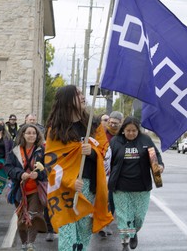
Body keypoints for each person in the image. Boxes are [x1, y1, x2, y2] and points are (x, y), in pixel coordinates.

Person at [44, 85, 113, 251]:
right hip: (64, 189)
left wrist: (92, 152)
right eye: (78, 94)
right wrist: (70, 181)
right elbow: (51, 163)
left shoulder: (93, 125)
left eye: (82, 93)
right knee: (67, 238)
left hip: (88, 186)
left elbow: (104, 151)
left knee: (83, 234)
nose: (83, 96)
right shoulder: (55, 130)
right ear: (67, 101)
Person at [108, 116, 164, 250]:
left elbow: (156, 156)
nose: (131, 133)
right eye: (128, 130)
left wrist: (160, 166)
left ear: (138, 130)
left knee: (138, 218)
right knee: (123, 217)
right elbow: (107, 162)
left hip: (141, 187)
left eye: (134, 130)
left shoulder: (146, 140)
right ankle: (124, 242)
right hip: (120, 186)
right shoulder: (116, 141)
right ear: (123, 130)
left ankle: (133, 233)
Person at [4, 124, 47, 251]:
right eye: (28, 133)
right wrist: (20, 174)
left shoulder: (41, 151)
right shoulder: (15, 151)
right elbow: (8, 168)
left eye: (34, 133)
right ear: (23, 135)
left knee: (33, 215)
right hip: (19, 190)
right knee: (22, 218)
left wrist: (38, 174)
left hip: (36, 190)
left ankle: (30, 243)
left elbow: (48, 170)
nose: (31, 135)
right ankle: (24, 243)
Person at [98, 111, 124, 238]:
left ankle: (107, 222)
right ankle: (101, 224)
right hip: (102, 170)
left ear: (121, 123)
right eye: (111, 122)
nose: (113, 125)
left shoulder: (123, 136)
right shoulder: (102, 134)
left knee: (112, 200)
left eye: (116, 123)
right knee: (103, 198)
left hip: (117, 171)